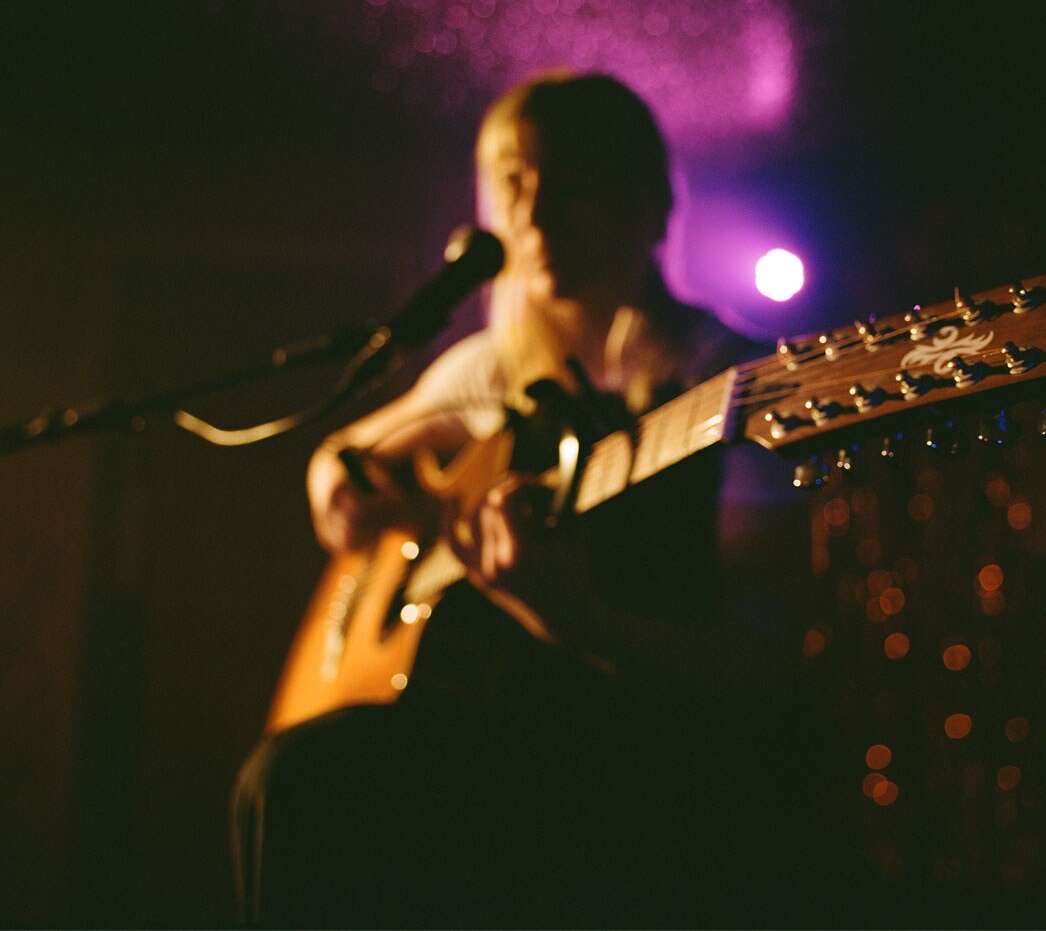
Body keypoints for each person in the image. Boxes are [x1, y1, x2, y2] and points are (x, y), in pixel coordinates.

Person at [232, 71, 814, 929]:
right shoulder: (484, 371)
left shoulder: (735, 383)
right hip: (489, 747)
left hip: (649, 770)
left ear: (649, 202)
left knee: (308, 782)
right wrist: (341, 491)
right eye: (512, 186)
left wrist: (572, 620)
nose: (535, 221)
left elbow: (771, 672)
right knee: (291, 780)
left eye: (572, 186)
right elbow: (341, 455)